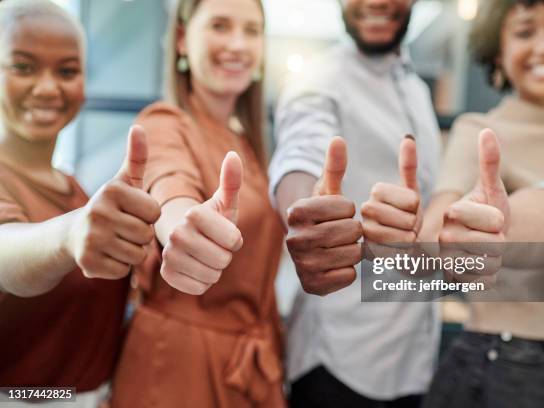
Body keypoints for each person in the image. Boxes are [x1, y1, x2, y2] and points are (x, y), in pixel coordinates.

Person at [417, 1, 544, 406]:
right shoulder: (481, 132)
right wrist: (454, 241)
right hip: (503, 364)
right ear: (497, 52)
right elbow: (437, 233)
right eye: (525, 32)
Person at [109, 0, 285, 406]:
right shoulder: (164, 122)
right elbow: (170, 189)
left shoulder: (248, 145)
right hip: (177, 368)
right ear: (184, 39)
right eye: (220, 26)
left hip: (248, 365)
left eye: (251, 30)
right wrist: (180, 225)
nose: (238, 44)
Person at [268, 0, 442, 405]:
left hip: (414, 361)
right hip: (340, 364)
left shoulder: (414, 86)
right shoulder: (318, 79)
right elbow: (301, 150)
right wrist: (306, 216)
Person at [0, 0, 160, 406]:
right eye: (23, 67)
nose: (48, 87)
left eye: (67, 71)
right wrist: (71, 235)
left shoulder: (77, 190)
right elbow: (8, 251)